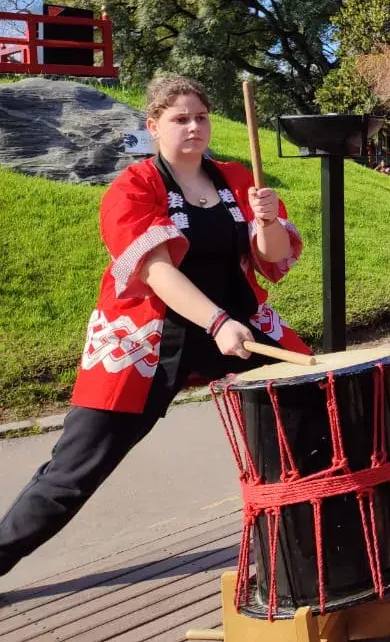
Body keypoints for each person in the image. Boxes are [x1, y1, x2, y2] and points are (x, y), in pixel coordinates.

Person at [0, 76, 309, 580]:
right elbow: (155, 271)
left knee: (309, 410)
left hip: (242, 324)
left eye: (202, 116)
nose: (194, 126)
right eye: (180, 118)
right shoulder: (134, 186)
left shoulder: (235, 177)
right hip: (149, 339)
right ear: (153, 126)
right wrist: (216, 322)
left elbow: (272, 260)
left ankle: (289, 552)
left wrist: (269, 221)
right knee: (75, 468)